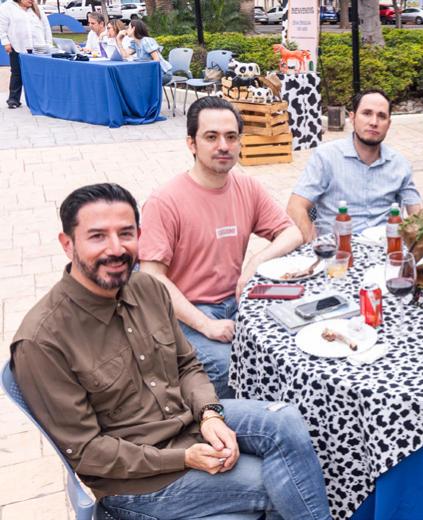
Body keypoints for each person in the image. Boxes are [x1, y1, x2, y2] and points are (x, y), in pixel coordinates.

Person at [10, 183, 331, 520]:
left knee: (285, 422)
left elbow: (187, 365)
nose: (116, 248)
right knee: (281, 484)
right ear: (67, 244)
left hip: (185, 422)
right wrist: (184, 457)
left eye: (126, 233)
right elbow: (88, 453)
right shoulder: (42, 341)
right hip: (137, 482)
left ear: (140, 235)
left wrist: (209, 414)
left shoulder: (147, 287)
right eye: (97, 236)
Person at [139, 97, 305, 399]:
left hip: (238, 301)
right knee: (230, 367)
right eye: (211, 137)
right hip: (186, 313)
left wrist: (255, 262)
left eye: (231, 137)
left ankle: (281, 415)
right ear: (191, 143)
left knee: (293, 343)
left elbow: (292, 233)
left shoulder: (247, 187)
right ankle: (216, 423)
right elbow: (151, 276)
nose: (223, 146)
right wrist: (206, 325)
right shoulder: (165, 201)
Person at [288, 88, 423, 239]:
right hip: (337, 247)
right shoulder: (326, 157)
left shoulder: (399, 164)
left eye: (382, 116)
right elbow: (295, 207)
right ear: (352, 118)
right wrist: (313, 245)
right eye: (367, 113)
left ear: (389, 124)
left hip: (385, 247)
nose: (374, 122)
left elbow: (417, 213)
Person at [0, 0, 52, 109]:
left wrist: (48, 44)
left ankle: (39, 100)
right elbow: (2, 27)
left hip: (38, 47)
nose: (32, 0)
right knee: (17, 73)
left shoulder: (37, 8)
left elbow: (46, 27)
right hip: (17, 46)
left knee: (38, 74)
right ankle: (13, 100)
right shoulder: (6, 7)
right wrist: (6, 42)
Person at [113, 19, 173, 84]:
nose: (126, 30)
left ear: (133, 29)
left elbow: (156, 60)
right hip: (150, 73)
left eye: (128, 28)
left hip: (163, 73)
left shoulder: (146, 41)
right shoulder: (135, 43)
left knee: (136, 81)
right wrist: (119, 40)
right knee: (131, 79)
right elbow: (125, 56)